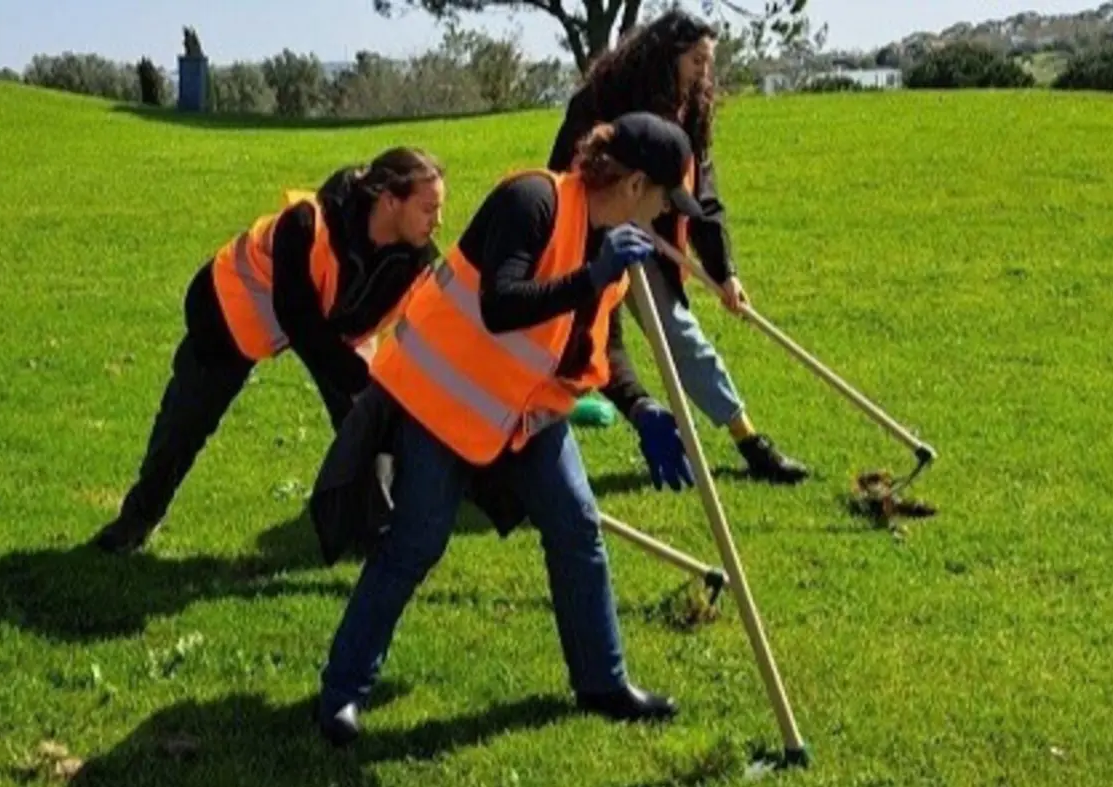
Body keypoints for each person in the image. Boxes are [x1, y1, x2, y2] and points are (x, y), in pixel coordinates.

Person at [314, 112, 701, 748]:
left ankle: (602, 683)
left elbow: (599, 342)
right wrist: (593, 275)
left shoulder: (610, 242)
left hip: (523, 414)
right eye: (663, 199)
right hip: (442, 402)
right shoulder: (533, 201)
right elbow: (502, 303)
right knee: (415, 542)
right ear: (633, 185)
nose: (663, 216)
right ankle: (343, 692)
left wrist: (640, 409)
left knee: (577, 526)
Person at [90, 147, 446, 554]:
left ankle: (380, 533)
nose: (438, 221)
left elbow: (426, 331)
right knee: (184, 424)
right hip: (230, 309)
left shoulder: (417, 260)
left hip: (335, 334)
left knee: (370, 422)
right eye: (428, 208)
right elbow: (298, 317)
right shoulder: (306, 224)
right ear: (389, 201)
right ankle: (136, 521)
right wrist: (359, 380)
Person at [549, 8, 811, 485]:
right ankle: (532, 448)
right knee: (583, 340)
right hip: (590, 236)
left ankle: (749, 441)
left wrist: (724, 269)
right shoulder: (602, 98)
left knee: (678, 333)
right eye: (696, 60)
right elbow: (565, 171)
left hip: (652, 239)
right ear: (665, 56)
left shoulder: (692, 111)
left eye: (708, 61)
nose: (703, 72)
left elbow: (703, 196)